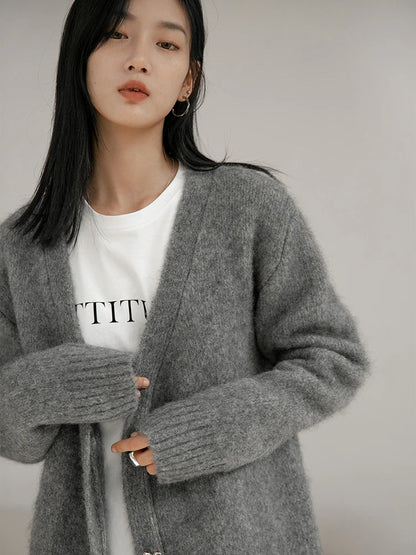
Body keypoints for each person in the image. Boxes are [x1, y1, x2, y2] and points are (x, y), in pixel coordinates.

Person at [0, 0, 371, 553]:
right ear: (78, 59)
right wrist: (56, 385)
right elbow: (17, 439)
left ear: (187, 81)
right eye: (115, 36)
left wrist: (212, 429)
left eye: (166, 44)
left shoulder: (247, 208)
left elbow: (333, 358)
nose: (139, 59)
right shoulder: (22, 245)